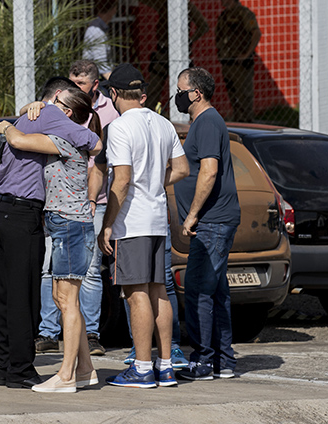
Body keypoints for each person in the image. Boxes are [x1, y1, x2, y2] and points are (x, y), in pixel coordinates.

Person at [0, 78, 101, 389]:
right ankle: (21, 369)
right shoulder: (52, 115)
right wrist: (13, 127)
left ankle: (6, 368)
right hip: (24, 212)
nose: (66, 115)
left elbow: (19, 134)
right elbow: (95, 142)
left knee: (4, 293)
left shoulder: (32, 116)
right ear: (57, 98)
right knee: (24, 295)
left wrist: (10, 123)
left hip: (3, 208)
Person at [97, 63, 189, 389]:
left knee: (136, 294)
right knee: (158, 290)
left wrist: (107, 225)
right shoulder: (163, 123)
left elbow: (120, 181)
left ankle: (142, 367)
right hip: (157, 218)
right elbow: (181, 168)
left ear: (114, 94)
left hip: (132, 221)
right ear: (142, 94)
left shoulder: (120, 127)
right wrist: (154, 182)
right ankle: (164, 365)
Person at [35, 61, 119, 358]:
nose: (72, 89)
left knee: (89, 274)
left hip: (85, 208)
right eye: (70, 83)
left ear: (95, 85)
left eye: (79, 84)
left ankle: (90, 336)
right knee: (51, 272)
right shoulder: (60, 116)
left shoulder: (104, 116)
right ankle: (48, 332)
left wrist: (93, 199)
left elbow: (102, 164)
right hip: (60, 208)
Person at [173, 67, 241, 381]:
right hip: (212, 221)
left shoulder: (208, 122)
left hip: (212, 222)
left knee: (199, 291)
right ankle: (223, 361)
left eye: (181, 90)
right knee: (216, 292)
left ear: (196, 93)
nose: (177, 96)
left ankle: (203, 361)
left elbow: (209, 171)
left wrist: (192, 215)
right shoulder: (205, 122)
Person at [112, 0, 209, 113]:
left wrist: (189, 41)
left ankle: (184, 113)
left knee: (184, 87)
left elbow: (203, 26)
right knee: (154, 88)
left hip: (180, 52)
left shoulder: (187, 7)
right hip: (163, 51)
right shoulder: (163, 4)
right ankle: (150, 112)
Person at [215, 0, 260, 123]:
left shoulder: (244, 13)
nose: (221, 0)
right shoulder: (224, 15)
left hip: (240, 65)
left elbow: (256, 33)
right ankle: (239, 122)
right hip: (227, 62)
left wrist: (246, 54)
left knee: (244, 97)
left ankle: (247, 124)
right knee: (233, 97)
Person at [82, 0, 118, 76]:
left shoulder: (100, 28)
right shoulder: (96, 30)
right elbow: (101, 65)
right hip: (95, 79)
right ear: (113, 9)